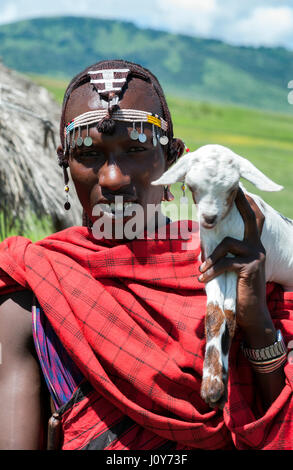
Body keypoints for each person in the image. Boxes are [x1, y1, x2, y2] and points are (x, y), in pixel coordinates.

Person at [0, 59, 292, 450]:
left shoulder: (240, 263)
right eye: (88, 155)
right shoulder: (33, 293)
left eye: (136, 148)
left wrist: (255, 318)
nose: (112, 178)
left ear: (174, 160)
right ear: (64, 166)